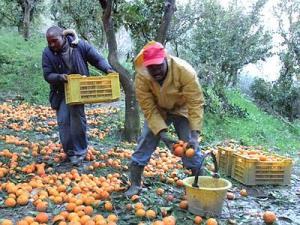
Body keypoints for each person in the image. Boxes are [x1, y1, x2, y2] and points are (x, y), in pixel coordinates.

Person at [125, 41, 205, 197]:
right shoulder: (142, 78)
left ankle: (199, 185)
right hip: (158, 110)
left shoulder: (184, 71)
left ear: (165, 59)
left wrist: (195, 136)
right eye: (151, 68)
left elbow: (195, 103)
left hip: (182, 109)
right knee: (146, 139)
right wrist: (163, 135)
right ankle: (134, 184)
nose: (155, 72)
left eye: (158, 66)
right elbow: (148, 107)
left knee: (190, 145)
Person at [42, 26, 114, 166]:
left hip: (78, 89)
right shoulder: (47, 53)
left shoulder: (79, 45)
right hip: (60, 91)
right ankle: (70, 153)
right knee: (63, 121)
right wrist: (60, 77)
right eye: (49, 42)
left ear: (63, 37)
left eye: (54, 41)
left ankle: (80, 152)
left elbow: (97, 59)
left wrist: (108, 69)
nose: (51, 45)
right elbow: (47, 74)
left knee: (77, 121)